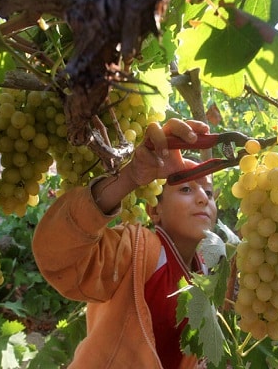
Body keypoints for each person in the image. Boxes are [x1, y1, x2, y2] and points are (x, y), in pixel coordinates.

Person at [32, 118, 218, 369]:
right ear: (155, 210)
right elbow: (59, 255)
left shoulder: (205, 269)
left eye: (209, 193)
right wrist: (130, 176)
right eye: (186, 189)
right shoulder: (140, 249)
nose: (202, 199)